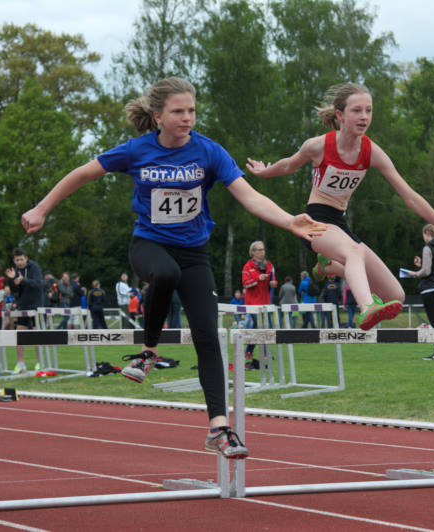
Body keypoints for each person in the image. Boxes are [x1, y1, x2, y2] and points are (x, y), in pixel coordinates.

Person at [19, 76, 325, 460]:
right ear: (158, 116)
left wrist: (288, 221)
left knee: (208, 335)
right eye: (178, 112)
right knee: (165, 274)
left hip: (193, 254)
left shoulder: (209, 152)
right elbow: (82, 173)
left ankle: (218, 428)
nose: (187, 118)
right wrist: (42, 208)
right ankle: (148, 351)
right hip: (149, 245)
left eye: (192, 111)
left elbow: (248, 195)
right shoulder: (136, 150)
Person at [246, 82, 434, 330]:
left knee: (396, 296)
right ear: (340, 115)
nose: (364, 117)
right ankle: (366, 307)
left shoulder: (372, 152)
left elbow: (411, 197)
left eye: (368, 111)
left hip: (340, 224)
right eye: (357, 111)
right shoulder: (318, 145)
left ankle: (328, 266)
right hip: (315, 222)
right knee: (354, 252)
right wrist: (265, 172)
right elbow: (288, 165)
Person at [407, 224, 434, 360]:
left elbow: (426, 271)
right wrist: (422, 265)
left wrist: (414, 273)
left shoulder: (427, 247)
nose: (423, 238)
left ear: (427, 233)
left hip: (429, 288)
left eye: (423, 235)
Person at [5, 248, 44, 373]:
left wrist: (24, 280)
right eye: (17, 260)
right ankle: (20, 363)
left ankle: (39, 362)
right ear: (14, 261)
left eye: (21, 259)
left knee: (35, 333)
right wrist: (12, 280)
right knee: (19, 333)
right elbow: (15, 290)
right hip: (23, 305)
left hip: (36, 304)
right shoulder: (15, 270)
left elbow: (38, 284)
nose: (19, 262)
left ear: (26, 258)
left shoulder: (35, 267)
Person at [242, 240, 276, 368]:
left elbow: (273, 280)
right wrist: (257, 279)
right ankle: (261, 353)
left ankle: (250, 352)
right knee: (260, 327)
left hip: (266, 303)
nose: (263, 252)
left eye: (263, 249)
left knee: (264, 328)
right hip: (252, 304)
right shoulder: (247, 267)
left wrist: (274, 283)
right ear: (253, 252)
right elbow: (245, 284)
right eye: (260, 250)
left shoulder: (269, 265)